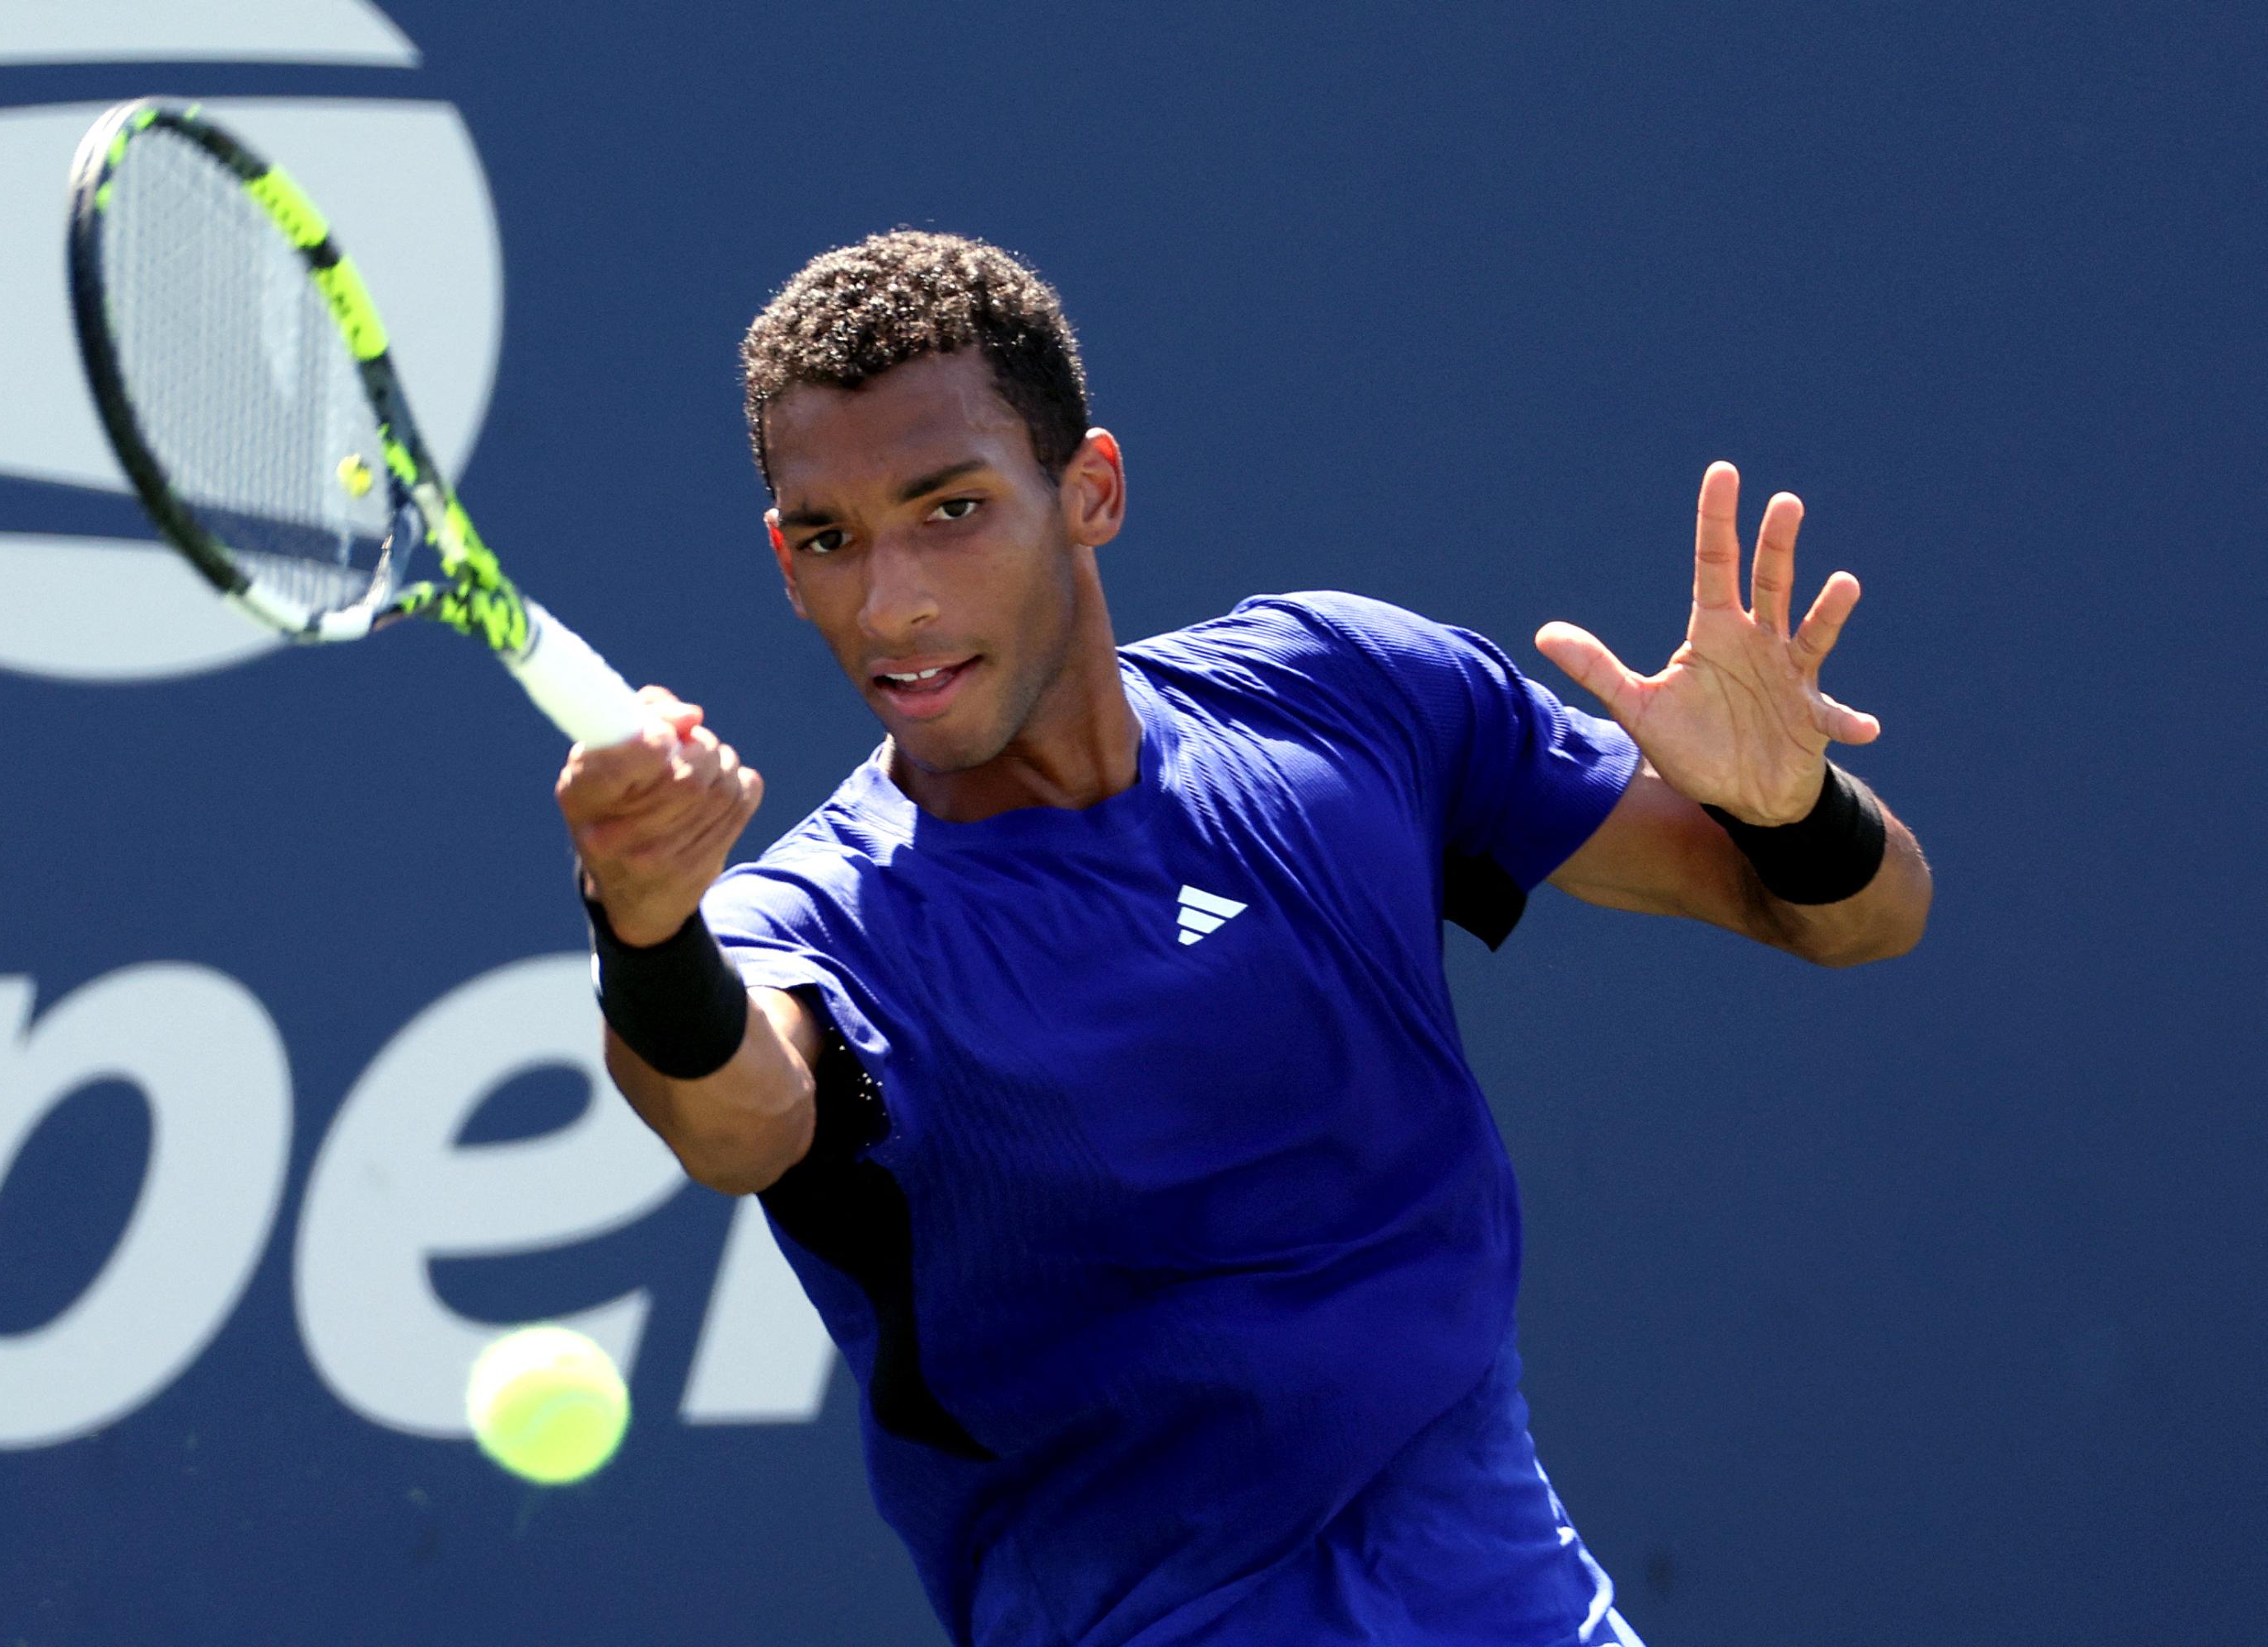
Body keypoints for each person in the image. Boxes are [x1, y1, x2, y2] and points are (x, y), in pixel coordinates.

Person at [556, 231, 1931, 1647]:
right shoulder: (817, 927)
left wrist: (1790, 805)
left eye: (950, 509)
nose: (888, 600)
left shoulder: (1343, 696)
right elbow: (737, 1119)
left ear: (1089, 491)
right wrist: (646, 924)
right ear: (786, 564)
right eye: (831, 540)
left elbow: (1862, 919)